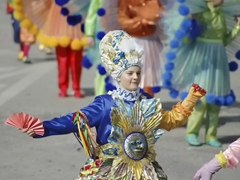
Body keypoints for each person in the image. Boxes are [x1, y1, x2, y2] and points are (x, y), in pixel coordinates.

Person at [14, 30, 206, 179]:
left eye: (138, 73)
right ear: (118, 75)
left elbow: (170, 121)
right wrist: (43, 128)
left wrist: (191, 98)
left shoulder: (146, 101)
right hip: (111, 170)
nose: (135, 77)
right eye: (129, 73)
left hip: (144, 171)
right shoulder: (106, 103)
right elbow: (74, 121)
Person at [161, 0, 240, 147]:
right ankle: (192, 133)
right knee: (200, 99)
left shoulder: (222, 15)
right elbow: (188, 38)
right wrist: (191, 23)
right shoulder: (200, 15)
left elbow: (225, 40)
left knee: (216, 99)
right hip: (202, 57)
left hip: (219, 58)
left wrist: (237, 26)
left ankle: (211, 136)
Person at [13, 0, 89, 97]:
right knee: (62, 58)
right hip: (59, 20)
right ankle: (63, 87)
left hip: (77, 16)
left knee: (76, 57)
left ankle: (76, 87)